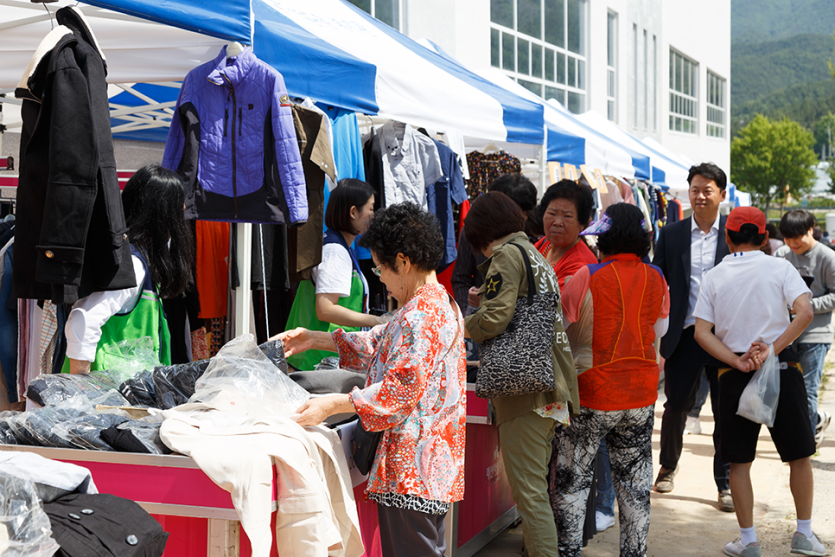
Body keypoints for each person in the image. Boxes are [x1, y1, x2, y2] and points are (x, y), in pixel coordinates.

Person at [277, 203, 465, 557]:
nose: (379, 277)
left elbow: (398, 393)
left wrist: (331, 404)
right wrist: (316, 339)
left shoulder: (419, 316)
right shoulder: (438, 303)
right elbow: (380, 343)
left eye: (380, 268)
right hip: (430, 467)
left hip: (411, 470)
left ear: (403, 262)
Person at [692, 206, 826, 557]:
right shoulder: (780, 266)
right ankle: (804, 535)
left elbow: (702, 332)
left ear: (728, 237)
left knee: (739, 462)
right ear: (765, 238)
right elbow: (806, 312)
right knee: (799, 456)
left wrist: (737, 359)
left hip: (735, 374)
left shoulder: (713, 276)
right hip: (782, 369)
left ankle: (749, 540)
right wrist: (772, 349)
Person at [550, 203, 670, 557]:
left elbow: (561, 330)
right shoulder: (657, 277)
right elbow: (659, 330)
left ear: (605, 238)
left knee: (573, 482)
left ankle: (568, 551)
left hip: (591, 393)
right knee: (634, 485)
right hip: (640, 394)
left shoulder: (586, 276)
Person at [463, 191, 578, 557]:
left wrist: (459, 325)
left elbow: (496, 319)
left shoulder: (507, 255)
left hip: (525, 393)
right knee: (534, 491)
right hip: (548, 386)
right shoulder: (535, 254)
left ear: (480, 231)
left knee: (529, 496)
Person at [652, 162, 733, 512]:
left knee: (727, 412)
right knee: (675, 407)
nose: (700, 196)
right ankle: (668, 467)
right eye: (695, 190)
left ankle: (725, 482)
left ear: (721, 194)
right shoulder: (671, 234)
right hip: (684, 335)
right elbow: (659, 283)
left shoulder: (735, 233)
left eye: (707, 190)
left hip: (727, 337)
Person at [64, 164, 194, 374]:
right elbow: (84, 318)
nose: (183, 214)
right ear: (165, 215)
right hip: (105, 396)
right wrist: (81, 388)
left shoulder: (139, 263)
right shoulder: (133, 265)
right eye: (180, 209)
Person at [284, 179, 381, 371]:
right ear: (353, 212)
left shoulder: (340, 247)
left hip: (323, 357)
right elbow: (325, 309)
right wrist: (377, 322)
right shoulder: (335, 251)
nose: (373, 215)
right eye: (370, 209)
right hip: (316, 361)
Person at [776, 210, 835, 447]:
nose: (792, 244)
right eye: (787, 239)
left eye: (796, 238)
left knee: (808, 390)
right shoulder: (781, 255)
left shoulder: (827, 257)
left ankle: (805, 446)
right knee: (787, 391)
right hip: (786, 334)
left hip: (816, 334)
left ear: (811, 229)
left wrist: (805, 307)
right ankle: (814, 423)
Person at [451, 173, 537, 314]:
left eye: (523, 212)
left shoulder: (534, 231)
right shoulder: (473, 230)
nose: (520, 217)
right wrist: (469, 312)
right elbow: (461, 277)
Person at [535, 179, 597, 290]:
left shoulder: (581, 264)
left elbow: (554, 303)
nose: (557, 222)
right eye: (552, 213)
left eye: (567, 216)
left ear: (581, 224)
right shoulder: (545, 243)